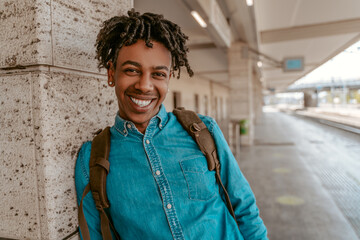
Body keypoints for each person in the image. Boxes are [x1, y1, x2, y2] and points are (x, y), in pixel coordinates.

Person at [75, 9, 268, 240]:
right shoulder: (92, 160)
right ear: (111, 73)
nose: (145, 85)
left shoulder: (202, 131)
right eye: (132, 70)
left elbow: (244, 209)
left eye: (158, 74)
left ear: (168, 79)